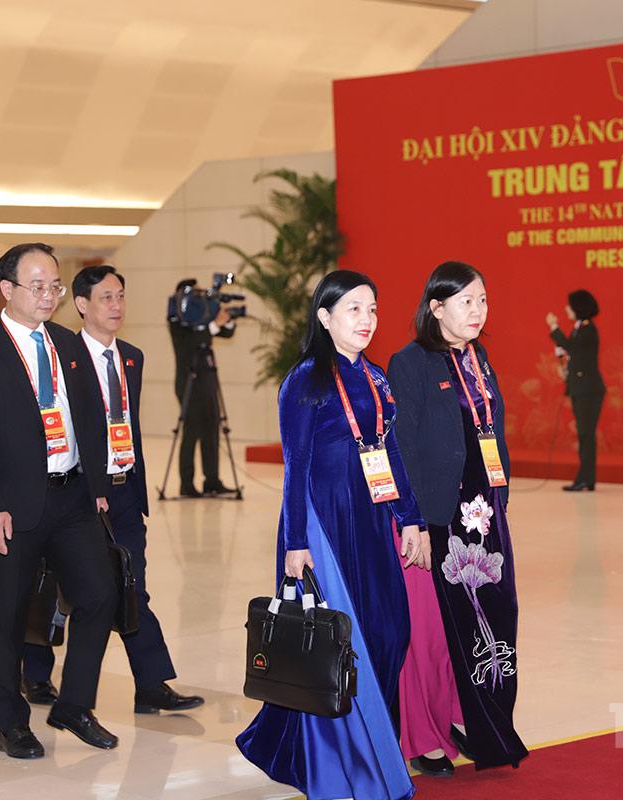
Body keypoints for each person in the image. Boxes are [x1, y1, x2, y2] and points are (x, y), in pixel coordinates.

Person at [237, 270, 427, 800]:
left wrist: (410, 517)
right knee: (339, 643)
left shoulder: (376, 377)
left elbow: (391, 452)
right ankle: (346, 765)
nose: (367, 320)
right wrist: (295, 542)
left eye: (373, 309)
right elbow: (295, 466)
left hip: (371, 521)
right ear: (324, 318)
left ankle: (374, 750)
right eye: (354, 310)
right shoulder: (305, 379)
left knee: (390, 632)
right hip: (324, 525)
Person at [0, 242, 117, 759]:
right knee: (7, 615)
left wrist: (98, 487)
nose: (49, 296)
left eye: (55, 286)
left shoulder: (67, 343)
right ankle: (11, 724)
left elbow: (89, 417)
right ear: (7, 290)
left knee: (100, 596)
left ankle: (74, 706)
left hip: (72, 496)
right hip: (12, 505)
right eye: (37, 286)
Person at [21, 265, 204, 714]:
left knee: (131, 586)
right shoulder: (62, 358)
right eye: (106, 297)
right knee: (59, 586)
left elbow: (126, 425)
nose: (116, 305)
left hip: (123, 493)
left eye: (120, 296)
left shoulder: (132, 357)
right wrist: (90, 481)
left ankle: (151, 684)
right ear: (81, 304)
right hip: (78, 493)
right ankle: (36, 675)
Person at [389, 261, 528, 773]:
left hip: (483, 515)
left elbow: (492, 432)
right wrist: (414, 521)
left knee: (491, 619)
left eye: (483, 300)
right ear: (436, 307)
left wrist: (501, 496)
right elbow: (403, 447)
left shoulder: (477, 357)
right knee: (430, 636)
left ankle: (480, 721)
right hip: (436, 519)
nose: (478, 310)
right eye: (466, 301)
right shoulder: (410, 363)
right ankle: (423, 736)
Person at [169, 281, 236, 497]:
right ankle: (186, 484)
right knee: (192, 431)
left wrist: (227, 320)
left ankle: (212, 481)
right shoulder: (177, 319)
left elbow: (224, 333)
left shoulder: (201, 316)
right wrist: (215, 324)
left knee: (211, 429)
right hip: (188, 381)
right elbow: (193, 342)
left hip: (207, 380)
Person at [547, 289, 605, 491]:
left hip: (588, 391)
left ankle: (585, 478)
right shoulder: (580, 328)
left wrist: (554, 327)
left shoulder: (587, 330)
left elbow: (571, 347)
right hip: (582, 389)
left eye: (570, 306)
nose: (567, 309)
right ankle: (586, 479)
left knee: (586, 436)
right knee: (584, 436)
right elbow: (577, 356)